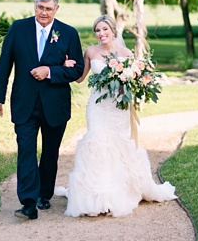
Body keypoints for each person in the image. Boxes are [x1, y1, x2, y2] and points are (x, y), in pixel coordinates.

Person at [54, 15, 177, 217]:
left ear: (113, 31)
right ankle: (97, 196)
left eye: (104, 29)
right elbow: (79, 78)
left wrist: (133, 83)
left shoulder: (125, 53)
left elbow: (134, 79)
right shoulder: (90, 52)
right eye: (97, 30)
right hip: (97, 106)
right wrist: (66, 66)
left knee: (118, 146)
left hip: (118, 107)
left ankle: (115, 194)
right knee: (96, 142)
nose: (101, 34)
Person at [0, 0, 85, 220]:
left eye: (48, 9)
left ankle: (44, 194)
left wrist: (50, 71)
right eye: (40, 8)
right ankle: (29, 203)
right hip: (24, 102)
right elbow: (4, 65)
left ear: (56, 9)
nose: (43, 13)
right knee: (26, 151)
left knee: (50, 152)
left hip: (55, 104)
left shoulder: (68, 33)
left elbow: (77, 69)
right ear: (34, 6)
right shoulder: (18, 29)